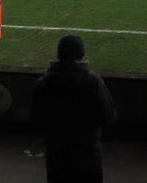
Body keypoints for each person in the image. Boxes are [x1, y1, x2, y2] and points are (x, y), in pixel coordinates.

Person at [31, 35, 116, 183]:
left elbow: (36, 119)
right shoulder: (92, 81)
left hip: (56, 157)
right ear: (81, 55)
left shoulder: (43, 83)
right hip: (87, 156)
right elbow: (108, 117)